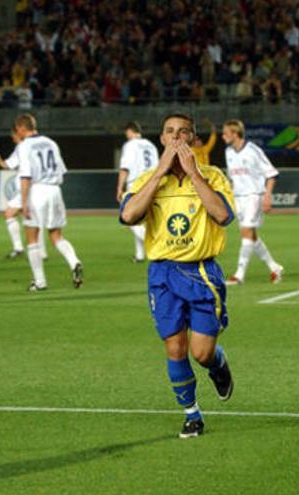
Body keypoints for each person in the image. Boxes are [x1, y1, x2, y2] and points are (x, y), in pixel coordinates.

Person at [119, 113, 235, 438]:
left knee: (201, 352)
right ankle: (192, 413)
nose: (175, 137)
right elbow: (128, 215)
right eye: (169, 132)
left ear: (193, 140)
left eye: (183, 132)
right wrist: (158, 173)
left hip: (201, 271)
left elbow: (223, 215)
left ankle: (217, 364)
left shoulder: (212, 176)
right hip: (163, 273)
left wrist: (195, 175)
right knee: (174, 347)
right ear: (162, 139)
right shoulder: (148, 180)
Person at [13, 113, 83, 291]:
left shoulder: (24, 146)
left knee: (32, 237)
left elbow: (26, 177)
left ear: (22, 128)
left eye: (17, 129)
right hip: (55, 191)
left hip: (37, 191)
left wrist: (23, 202)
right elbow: (62, 171)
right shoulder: (51, 142)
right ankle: (74, 261)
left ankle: (39, 281)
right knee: (56, 236)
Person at [220, 119, 284, 285]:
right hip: (239, 198)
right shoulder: (229, 152)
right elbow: (233, 179)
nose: (223, 136)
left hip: (254, 196)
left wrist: (268, 196)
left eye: (226, 133)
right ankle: (274, 267)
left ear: (235, 133)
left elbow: (271, 174)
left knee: (246, 233)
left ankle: (239, 275)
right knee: (251, 236)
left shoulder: (253, 150)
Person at [0, 126, 47, 260]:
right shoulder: (39, 144)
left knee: (9, 213)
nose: (13, 139)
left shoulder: (22, 147)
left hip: (28, 186)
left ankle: (19, 248)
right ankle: (42, 252)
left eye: (14, 136)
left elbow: (9, 165)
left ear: (20, 133)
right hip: (39, 185)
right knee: (32, 219)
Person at [115, 121, 159, 262]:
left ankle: (157, 246)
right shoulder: (151, 145)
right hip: (151, 183)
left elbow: (125, 167)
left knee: (129, 219)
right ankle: (139, 255)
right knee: (141, 220)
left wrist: (119, 187)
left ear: (130, 131)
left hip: (136, 184)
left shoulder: (130, 145)